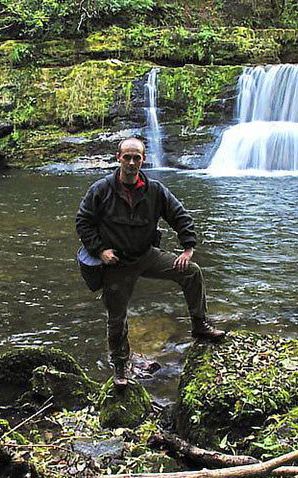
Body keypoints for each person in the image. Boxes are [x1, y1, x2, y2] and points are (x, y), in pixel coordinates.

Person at [76, 137, 225, 387]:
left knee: (192, 272)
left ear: (143, 159)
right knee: (116, 316)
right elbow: (83, 222)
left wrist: (188, 247)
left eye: (137, 157)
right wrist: (100, 251)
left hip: (147, 255)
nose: (132, 162)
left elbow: (179, 215)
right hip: (117, 263)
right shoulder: (101, 190)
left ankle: (200, 325)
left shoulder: (154, 190)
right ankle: (121, 364)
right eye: (127, 157)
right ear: (118, 158)